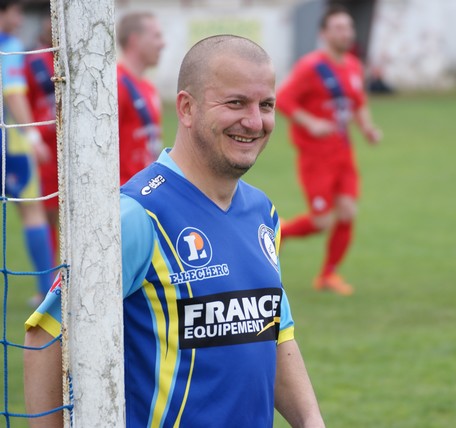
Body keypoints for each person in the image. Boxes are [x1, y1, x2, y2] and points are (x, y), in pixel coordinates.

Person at [24, 35, 325, 427]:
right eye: (235, 103)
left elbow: (276, 332)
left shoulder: (262, 212)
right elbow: (46, 336)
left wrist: (311, 421)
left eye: (265, 105)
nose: (255, 122)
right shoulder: (135, 215)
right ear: (186, 108)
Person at [276, 5, 382, 296]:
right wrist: (310, 122)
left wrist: (368, 128)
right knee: (322, 221)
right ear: (323, 33)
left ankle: (327, 275)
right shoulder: (311, 67)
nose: (346, 33)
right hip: (316, 156)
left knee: (347, 212)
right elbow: (283, 99)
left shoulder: (353, 65)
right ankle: (280, 233)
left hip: (343, 152)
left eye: (349, 27)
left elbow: (358, 103)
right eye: (338, 28)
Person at [0, 0, 54, 305]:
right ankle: (47, 290)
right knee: (32, 211)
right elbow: (14, 94)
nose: (20, 19)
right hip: (11, 144)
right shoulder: (9, 46)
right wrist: (33, 135)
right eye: (16, 12)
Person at [116, 11, 164, 184]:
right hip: (122, 190)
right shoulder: (116, 84)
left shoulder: (149, 87)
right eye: (156, 36)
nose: (163, 43)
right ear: (135, 40)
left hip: (144, 188)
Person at [25, 15, 58, 255]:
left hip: (66, 143)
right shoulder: (33, 61)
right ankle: (52, 267)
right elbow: (24, 101)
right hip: (44, 146)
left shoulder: (68, 59)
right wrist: (32, 137)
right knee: (48, 209)